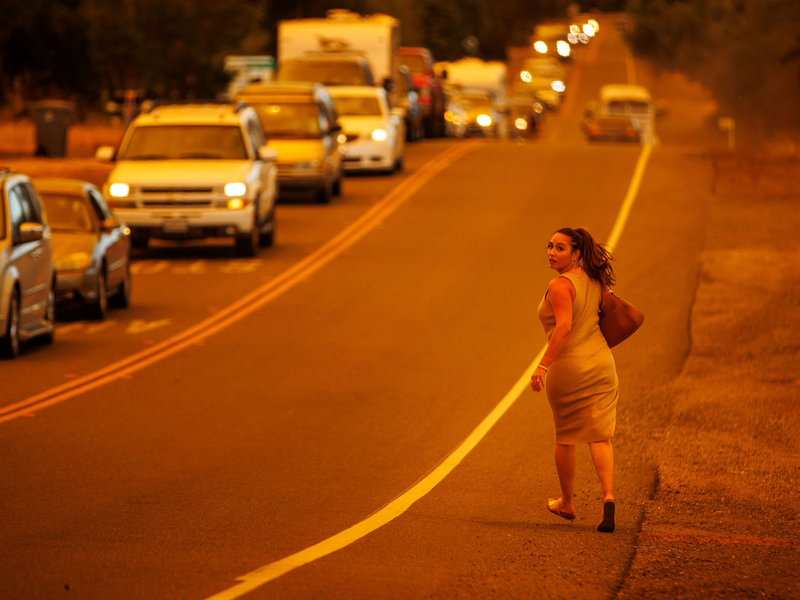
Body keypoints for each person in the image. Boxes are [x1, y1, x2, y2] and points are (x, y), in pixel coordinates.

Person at [530, 227, 618, 533]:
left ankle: (567, 502)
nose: (552, 253)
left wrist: (542, 365)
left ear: (576, 254)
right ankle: (608, 496)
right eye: (550, 246)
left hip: (570, 367)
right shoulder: (595, 280)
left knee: (566, 435)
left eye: (560, 248)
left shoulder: (560, 285)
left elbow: (563, 328)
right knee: (599, 434)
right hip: (602, 364)